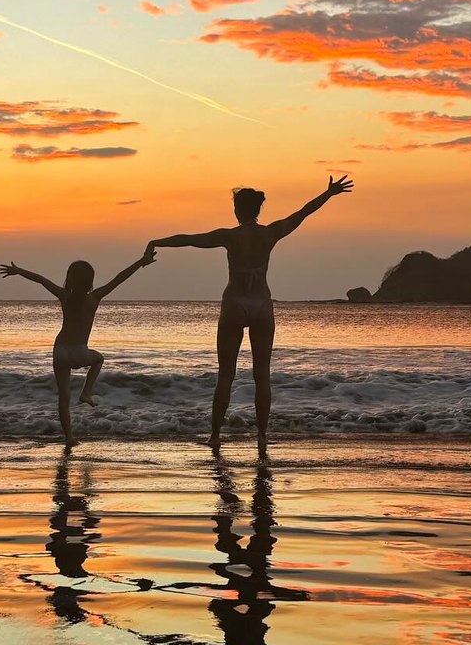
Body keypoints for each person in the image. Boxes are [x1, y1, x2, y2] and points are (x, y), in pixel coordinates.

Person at [147, 175, 353, 453]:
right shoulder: (270, 233)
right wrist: (328, 194)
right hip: (261, 304)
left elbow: (189, 239)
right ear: (258, 210)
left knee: (226, 375)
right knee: (262, 376)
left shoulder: (229, 236)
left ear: (237, 209)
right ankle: (262, 436)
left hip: (234, 303)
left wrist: (155, 242)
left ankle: (215, 435)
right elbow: (303, 212)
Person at [0, 248, 156, 446]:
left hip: (60, 350)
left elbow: (41, 280)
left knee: (63, 397)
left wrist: (19, 270)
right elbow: (120, 278)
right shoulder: (95, 297)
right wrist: (142, 261)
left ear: (69, 278)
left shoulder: (64, 296)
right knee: (98, 359)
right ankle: (86, 392)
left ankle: (69, 438)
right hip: (79, 351)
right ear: (90, 281)